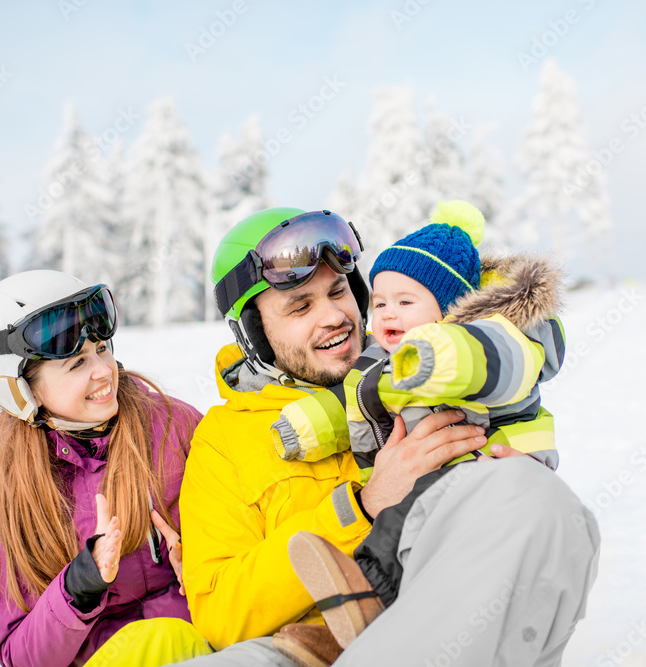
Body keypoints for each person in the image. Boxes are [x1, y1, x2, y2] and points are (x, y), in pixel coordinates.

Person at [175, 208, 599, 666]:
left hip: (435, 620)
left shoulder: (421, 368)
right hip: (296, 648)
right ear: (254, 334)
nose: (335, 316)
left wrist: (497, 486)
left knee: (542, 502)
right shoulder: (224, 439)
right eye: (300, 306)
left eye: (340, 291)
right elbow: (221, 614)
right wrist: (362, 504)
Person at [266, 200, 566, 654]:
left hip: (484, 469)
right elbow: (351, 399)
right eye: (381, 301)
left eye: (406, 302)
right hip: (429, 480)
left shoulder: (492, 338)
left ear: (450, 310)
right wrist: (305, 426)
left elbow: (491, 363)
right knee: (412, 527)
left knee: (417, 517)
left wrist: (439, 356)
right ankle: (375, 628)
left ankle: (369, 588)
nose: (387, 314)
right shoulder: (380, 363)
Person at [0, 270, 212, 667]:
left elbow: (243, 538)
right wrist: (79, 586)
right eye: (76, 363)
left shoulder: (174, 428)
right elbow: (20, 657)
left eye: (102, 349)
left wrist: (204, 569)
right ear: (21, 388)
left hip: (203, 646)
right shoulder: (3, 495)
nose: (102, 370)